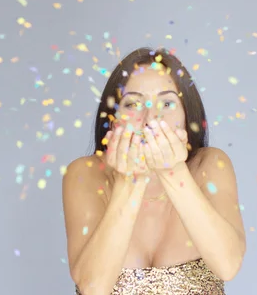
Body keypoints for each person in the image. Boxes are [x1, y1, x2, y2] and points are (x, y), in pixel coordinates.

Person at [62, 47, 246, 295]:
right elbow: (92, 287)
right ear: (114, 118)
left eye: (167, 103)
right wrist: (130, 183)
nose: (150, 117)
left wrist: (172, 173)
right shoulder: (85, 174)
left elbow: (228, 265)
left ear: (186, 116)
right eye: (133, 103)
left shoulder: (210, 166)